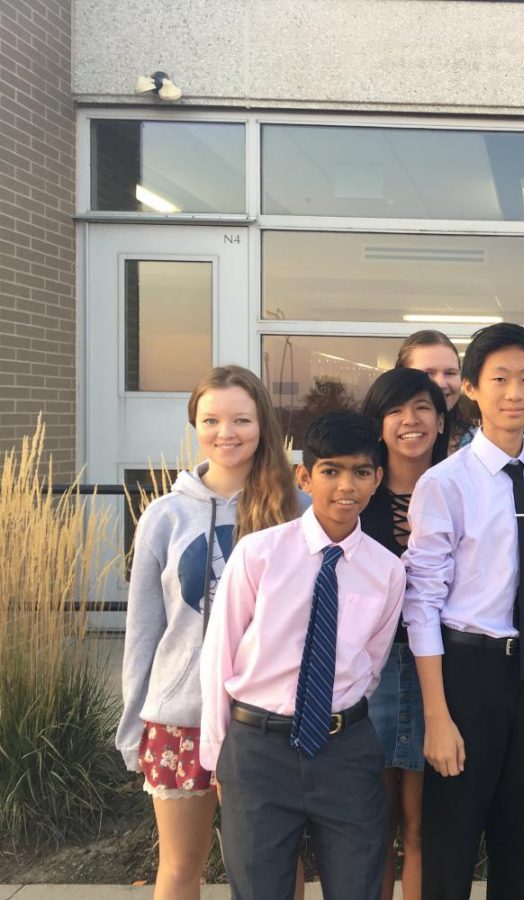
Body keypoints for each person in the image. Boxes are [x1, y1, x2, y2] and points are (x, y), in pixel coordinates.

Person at [199, 411, 405, 900]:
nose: (345, 486)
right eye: (330, 471)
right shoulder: (258, 554)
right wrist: (218, 757)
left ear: (377, 478)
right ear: (305, 477)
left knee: (358, 887)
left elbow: (370, 665)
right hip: (258, 750)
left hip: (345, 752)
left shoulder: (387, 571)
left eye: (360, 471)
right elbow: (219, 656)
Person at [117, 365, 303, 900]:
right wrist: (133, 725)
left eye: (241, 419)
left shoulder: (296, 510)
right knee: (181, 866)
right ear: (194, 425)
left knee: (274, 864)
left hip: (266, 720)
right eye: (212, 419)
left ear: (262, 424)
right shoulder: (165, 516)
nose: (227, 432)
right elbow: (143, 630)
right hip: (181, 719)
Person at [404, 323, 524, 900]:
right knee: (451, 840)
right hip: (468, 674)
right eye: (500, 379)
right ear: (472, 387)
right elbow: (421, 601)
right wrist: (437, 715)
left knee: (523, 837)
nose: (515, 393)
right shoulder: (444, 483)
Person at [361, 368, 449, 900]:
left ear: (441, 420)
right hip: (366, 674)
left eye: (421, 407)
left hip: (436, 670)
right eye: (394, 410)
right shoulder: (355, 493)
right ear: (378, 423)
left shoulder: (462, 487)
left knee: (422, 827)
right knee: (372, 826)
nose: (409, 421)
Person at [397, 330, 476, 455]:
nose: (441, 384)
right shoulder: (376, 441)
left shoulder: (477, 446)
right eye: (427, 373)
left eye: (450, 373)